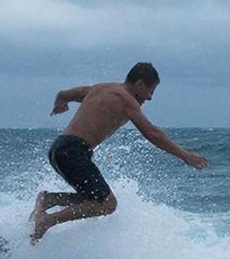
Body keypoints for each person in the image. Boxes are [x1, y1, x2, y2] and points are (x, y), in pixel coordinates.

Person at [30, 62, 208, 243]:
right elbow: (152, 133)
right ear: (140, 84)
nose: (150, 98)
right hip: (73, 151)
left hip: (60, 149)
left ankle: (50, 199)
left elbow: (64, 94)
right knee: (108, 204)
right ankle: (48, 220)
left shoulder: (100, 88)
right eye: (151, 91)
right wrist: (185, 155)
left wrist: (60, 103)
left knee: (93, 199)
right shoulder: (126, 100)